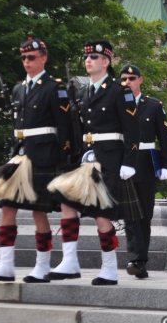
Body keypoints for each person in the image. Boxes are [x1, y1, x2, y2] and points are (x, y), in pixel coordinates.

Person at [47, 41, 140, 286]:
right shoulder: (84, 90)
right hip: (87, 156)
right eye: (87, 57)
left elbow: (132, 128)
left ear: (106, 61)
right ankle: (69, 260)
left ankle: (109, 267)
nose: (88, 61)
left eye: (95, 57)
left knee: (102, 214)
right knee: (66, 202)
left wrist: (129, 161)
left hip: (110, 157)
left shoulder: (120, 90)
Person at [0, 37, 72, 283]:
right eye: (23, 58)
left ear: (44, 58)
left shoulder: (55, 87)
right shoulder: (19, 88)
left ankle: (42, 266)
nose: (26, 62)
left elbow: (64, 127)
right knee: (7, 207)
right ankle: (5, 264)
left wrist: (65, 160)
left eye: (31, 57)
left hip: (44, 156)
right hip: (20, 154)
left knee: (37, 213)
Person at [118, 63, 167, 280]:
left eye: (131, 78)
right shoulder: (117, 105)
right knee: (130, 215)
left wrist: (166, 165)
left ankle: (140, 259)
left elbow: (164, 139)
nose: (127, 82)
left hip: (146, 165)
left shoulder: (153, 106)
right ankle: (136, 260)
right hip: (124, 165)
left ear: (140, 80)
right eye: (123, 79)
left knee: (144, 216)